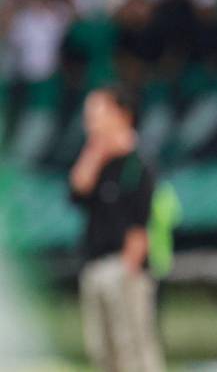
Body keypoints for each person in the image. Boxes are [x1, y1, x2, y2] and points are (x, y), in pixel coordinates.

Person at [70, 86, 164, 372]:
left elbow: (140, 225)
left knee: (133, 348)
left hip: (123, 267)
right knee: (102, 350)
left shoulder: (137, 164)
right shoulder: (97, 161)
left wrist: (128, 271)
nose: (91, 121)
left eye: (98, 113)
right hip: (94, 264)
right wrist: (95, 152)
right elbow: (77, 191)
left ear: (122, 115)